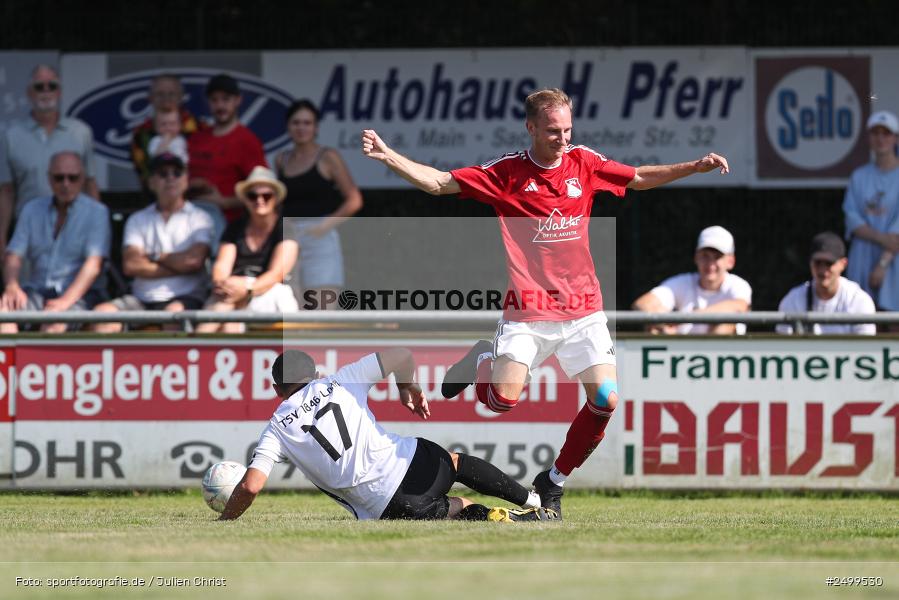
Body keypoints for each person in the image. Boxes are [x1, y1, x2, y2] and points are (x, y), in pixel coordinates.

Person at [361, 88, 730, 519]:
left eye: (568, 129)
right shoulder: (506, 173)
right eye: (553, 130)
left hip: (583, 310)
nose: (562, 138)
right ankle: (485, 357)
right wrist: (389, 157)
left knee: (607, 399)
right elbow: (440, 183)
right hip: (529, 311)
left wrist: (695, 166)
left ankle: (553, 481)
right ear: (531, 127)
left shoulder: (584, 162)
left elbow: (640, 177)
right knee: (499, 401)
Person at [220, 348, 553, 522]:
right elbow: (401, 356)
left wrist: (225, 519)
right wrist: (406, 386)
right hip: (412, 466)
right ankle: (536, 504)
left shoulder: (277, 426)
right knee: (455, 462)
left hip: (387, 508)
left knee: (454, 508)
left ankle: (505, 519)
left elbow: (251, 486)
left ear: (277, 389)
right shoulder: (340, 380)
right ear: (315, 374)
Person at [91, 153, 213, 332]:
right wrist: (177, 264)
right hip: (140, 299)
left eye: (176, 173)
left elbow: (193, 262)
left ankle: (174, 361)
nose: (170, 178)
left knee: (174, 315)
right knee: (102, 316)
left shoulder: (200, 218)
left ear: (186, 180)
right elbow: (131, 265)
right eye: (163, 173)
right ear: (151, 183)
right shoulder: (137, 219)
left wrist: (155, 256)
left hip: (184, 297)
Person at [0, 152, 109, 333]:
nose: (66, 184)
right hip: (36, 291)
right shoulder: (32, 209)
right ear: (49, 179)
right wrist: (12, 286)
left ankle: (35, 361)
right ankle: (11, 362)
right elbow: (14, 254)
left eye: (72, 178)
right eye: (59, 178)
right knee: (3, 315)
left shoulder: (97, 212)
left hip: (80, 296)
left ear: (82, 179)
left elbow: (93, 265)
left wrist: (65, 301)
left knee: (54, 325)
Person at [0, 64, 98, 256]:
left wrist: (97, 231)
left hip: (75, 229)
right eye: (39, 87)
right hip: (28, 233)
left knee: (76, 285)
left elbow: (90, 184)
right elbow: (6, 192)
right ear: (29, 93)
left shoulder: (80, 132)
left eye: (51, 86)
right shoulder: (11, 135)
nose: (46, 91)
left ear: (59, 92)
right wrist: (1, 236)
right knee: (26, 285)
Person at [276, 99, 362, 306]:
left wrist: (323, 226)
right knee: (291, 301)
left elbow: (354, 200)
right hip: (289, 237)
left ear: (316, 127)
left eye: (307, 123)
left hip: (321, 235)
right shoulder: (281, 159)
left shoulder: (328, 156)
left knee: (322, 303)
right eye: (296, 123)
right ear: (288, 126)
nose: (301, 128)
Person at [196, 166, 299, 333]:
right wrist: (224, 285)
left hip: (270, 294)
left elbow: (277, 274)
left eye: (266, 195)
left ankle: (192, 352)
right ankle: (194, 352)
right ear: (245, 199)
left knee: (224, 311)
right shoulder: (235, 227)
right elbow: (221, 266)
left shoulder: (286, 227)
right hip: (232, 293)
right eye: (253, 196)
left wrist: (247, 289)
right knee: (226, 314)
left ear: (276, 199)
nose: (259, 200)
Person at [631, 226, 752, 335]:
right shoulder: (682, 282)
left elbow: (739, 307)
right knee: (654, 328)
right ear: (696, 257)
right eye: (705, 256)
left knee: (725, 325)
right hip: (678, 355)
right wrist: (662, 323)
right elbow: (642, 303)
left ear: (730, 261)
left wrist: (682, 319)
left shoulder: (739, 285)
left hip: (719, 358)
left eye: (717, 257)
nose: (710, 264)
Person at [188, 73, 267, 223]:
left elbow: (263, 190)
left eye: (226, 99)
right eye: (215, 100)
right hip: (189, 220)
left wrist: (225, 202)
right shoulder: (196, 138)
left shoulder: (247, 141)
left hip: (229, 224)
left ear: (238, 100)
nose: (220, 106)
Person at [843, 110, 899, 313]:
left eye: (887, 133)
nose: (881, 138)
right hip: (862, 258)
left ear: (896, 138)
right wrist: (882, 238)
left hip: (894, 262)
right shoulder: (859, 176)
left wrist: (883, 264)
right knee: (862, 320)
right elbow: (852, 218)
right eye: (876, 133)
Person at [776, 232, 876, 335]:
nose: (822, 270)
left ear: (843, 264)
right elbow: (784, 347)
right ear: (810, 262)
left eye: (829, 263)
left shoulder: (858, 300)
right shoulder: (793, 300)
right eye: (818, 262)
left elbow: (864, 349)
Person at [130, 74, 204, 192]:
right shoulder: (141, 133)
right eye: (160, 94)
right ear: (150, 98)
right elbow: (143, 173)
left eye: (171, 93)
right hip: (157, 197)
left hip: (196, 197)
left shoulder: (200, 128)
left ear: (181, 97)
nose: (166, 98)